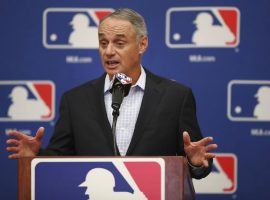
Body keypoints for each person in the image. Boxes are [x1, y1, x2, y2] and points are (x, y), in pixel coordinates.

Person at [6, 8, 217, 179]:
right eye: (103, 42)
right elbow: (60, 160)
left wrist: (195, 162)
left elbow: (196, 162)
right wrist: (36, 158)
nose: (108, 51)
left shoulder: (176, 97)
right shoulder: (75, 100)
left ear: (142, 44)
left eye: (119, 43)